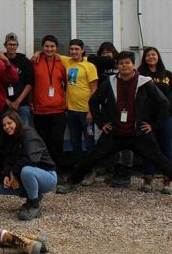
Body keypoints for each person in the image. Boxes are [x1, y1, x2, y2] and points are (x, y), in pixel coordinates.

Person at [57, 51, 172, 194]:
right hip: (114, 134)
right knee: (91, 158)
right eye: (121, 63)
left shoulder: (145, 82)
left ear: (133, 65)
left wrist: (153, 125)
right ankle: (71, 182)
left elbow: (163, 103)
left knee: (160, 159)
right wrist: (102, 123)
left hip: (138, 134)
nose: (124, 66)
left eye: (127, 63)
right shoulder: (110, 82)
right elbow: (93, 101)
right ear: (117, 65)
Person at [0, 111, 57, 220]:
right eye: (4, 125)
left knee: (27, 171)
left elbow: (31, 160)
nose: (7, 127)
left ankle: (34, 204)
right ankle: (33, 195)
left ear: (16, 121)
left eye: (9, 123)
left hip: (47, 176)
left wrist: (13, 173)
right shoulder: (9, 138)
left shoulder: (29, 134)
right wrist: (6, 174)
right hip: (22, 174)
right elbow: (8, 161)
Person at [88, 43, 133, 188]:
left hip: (126, 109)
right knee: (111, 140)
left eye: (109, 52)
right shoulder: (99, 65)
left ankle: (125, 174)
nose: (106, 54)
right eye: (103, 52)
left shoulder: (126, 68)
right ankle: (113, 170)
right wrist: (110, 60)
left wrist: (116, 61)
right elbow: (91, 58)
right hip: (108, 109)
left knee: (126, 142)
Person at [31, 35, 67, 181]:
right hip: (40, 110)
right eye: (46, 46)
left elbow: (68, 83)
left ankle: (58, 171)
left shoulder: (62, 62)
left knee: (57, 142)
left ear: (56, 47)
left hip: (58, 110)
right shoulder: (35, 61)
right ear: (42, 47)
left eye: (52, 46)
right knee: (42, 142)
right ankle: (44, 171)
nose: (49, 49)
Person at [61, 40, 98, 179]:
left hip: (86, 112)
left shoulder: (89, 66)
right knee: (75, 142)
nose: (74, 52)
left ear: (82, 50)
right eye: (71, 49)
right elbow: (50, 53)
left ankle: (90, 171)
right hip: (71, 111)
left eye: (77, 49)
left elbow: (94, 89)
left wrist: (91, 111)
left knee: (89, 142)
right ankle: (78, 170)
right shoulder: (67, 62)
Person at [138, 46, 172, 194]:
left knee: (167, 148)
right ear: (144, 58)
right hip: (147, 119)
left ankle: (167, 180)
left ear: (158, 56)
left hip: (165, 118)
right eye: (148, 55)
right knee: (149, 147)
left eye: (153, 54)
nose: (151, 57)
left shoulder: (168, 75)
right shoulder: (139, 75)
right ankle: (148, 178)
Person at [3, 33, 34, 127]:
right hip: (5, 104)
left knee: (25, 131)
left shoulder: (25, 61)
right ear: (5, 45)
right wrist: (7, 101)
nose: (12, 47)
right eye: (9, 44)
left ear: (17, 46)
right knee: (6, 131)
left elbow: (29, 83)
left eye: (14, 44)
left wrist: (18, 101)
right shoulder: (0, 61)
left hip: (22, 104)